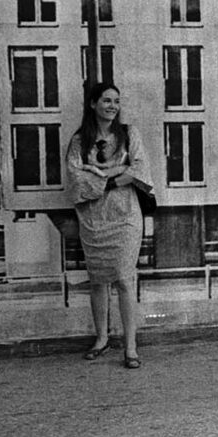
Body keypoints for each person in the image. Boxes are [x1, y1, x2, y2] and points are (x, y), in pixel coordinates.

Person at [66, 82, 152, 370]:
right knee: (98, 280)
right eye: (106, 100)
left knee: (125, 278)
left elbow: (140, 170)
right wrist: (119, 171)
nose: (112, 106)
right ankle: (102, 338)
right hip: (93, 218)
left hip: (126, 214)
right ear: (93, 104)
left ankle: (130, 346)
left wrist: (103, 175)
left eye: (116, 100)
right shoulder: (80, 141)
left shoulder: (129, 134)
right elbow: (77, 181)